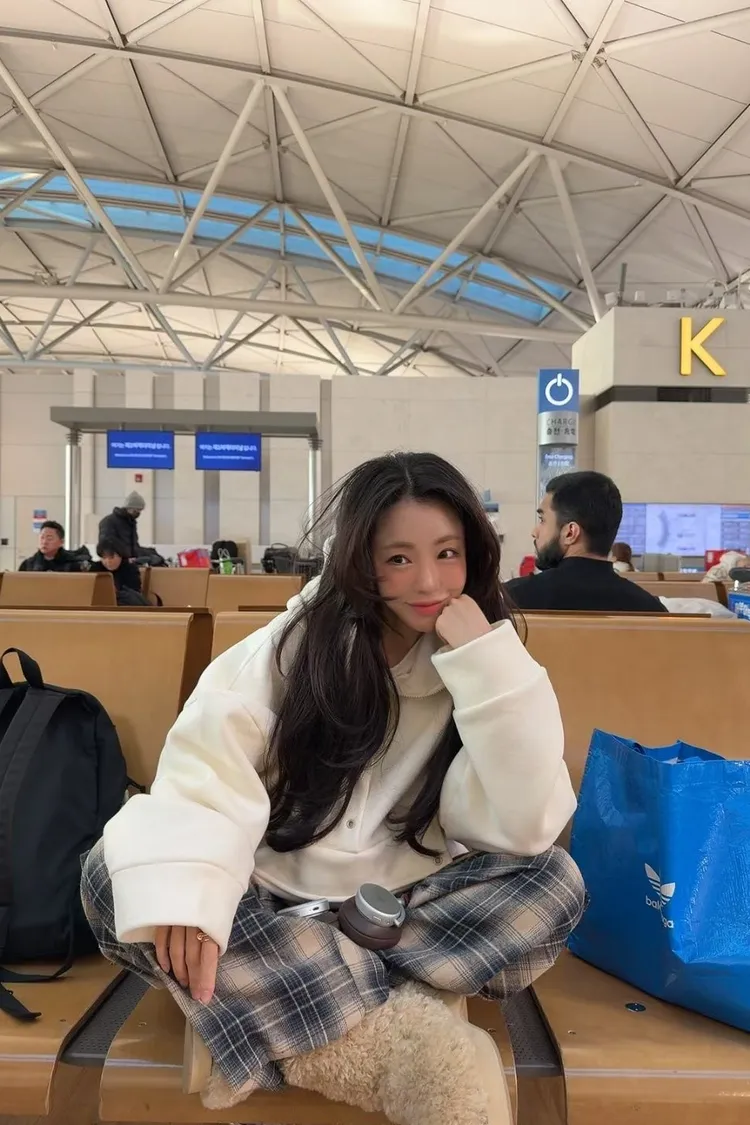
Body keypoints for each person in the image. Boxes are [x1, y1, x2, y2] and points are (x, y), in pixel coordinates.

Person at [81, 452, 585, 1125]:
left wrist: (487, 664)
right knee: (117, 879)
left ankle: (261, 1018)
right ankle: (390, 1049)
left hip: (397, 911)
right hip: (267, 896)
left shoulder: (482, 658)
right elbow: (204, 775)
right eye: (398, 558)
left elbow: (524, 822)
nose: (428, 580)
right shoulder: (292, 648)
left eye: (447, 553)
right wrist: (190, 895)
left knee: (555, 882)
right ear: (357, 560)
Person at [506, 472, 666, 614]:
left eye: (542, 520)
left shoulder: (513, 599)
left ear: (570, 533)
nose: (534, 532)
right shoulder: (652, 609)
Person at [90, 538, 146, 602]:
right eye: (104, 558)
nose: (108, 561)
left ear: (120, 555)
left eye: (111, 557)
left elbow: (134, 594)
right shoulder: (96, 569)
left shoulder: (130, 569)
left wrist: (117, 592)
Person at [98, 492, 145, 560]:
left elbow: (133, 544)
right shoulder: (109, 521)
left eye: (140, 510)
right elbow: (106, 545)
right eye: (136, 510)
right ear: (129, 508)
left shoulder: (130, 522)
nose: (138, 513)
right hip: (116, 561)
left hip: (129, 561)